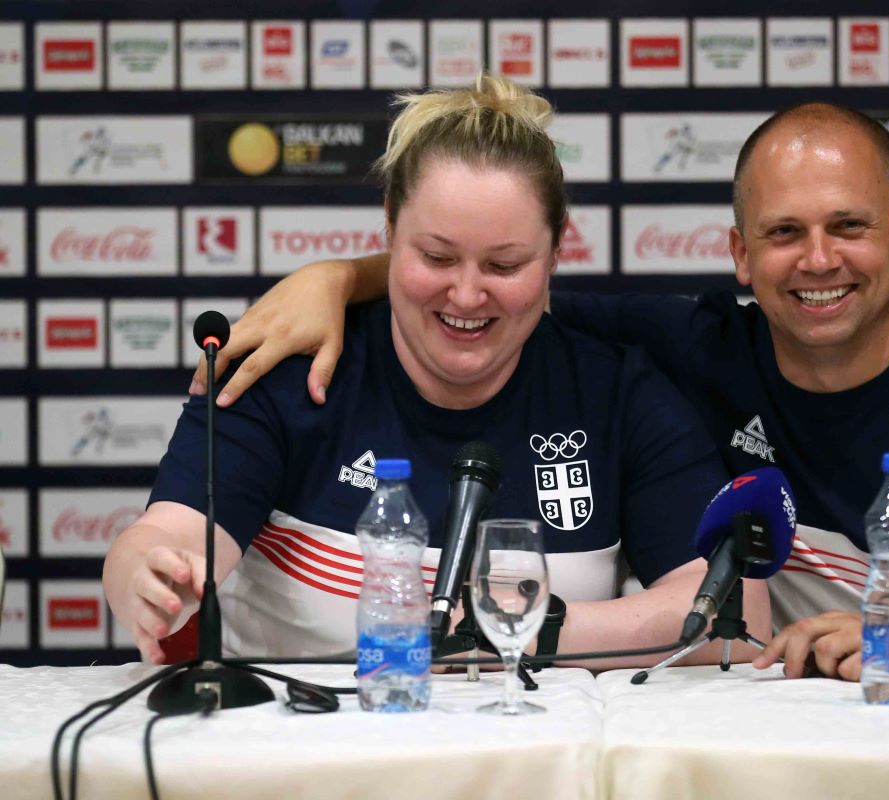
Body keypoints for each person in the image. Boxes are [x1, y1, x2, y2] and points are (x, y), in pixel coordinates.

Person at [194, 102, 889, 681]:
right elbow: (493, 281)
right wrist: (337, 276)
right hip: (771, 729)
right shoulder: (683, 344)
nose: (817, 260)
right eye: (783, 233)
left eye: (850, 227)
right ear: (740, 254)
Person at [104, 75, 770, 666]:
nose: (467, 295)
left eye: (504, 265)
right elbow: (167, 536)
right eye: (438, 258)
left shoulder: (617, 392)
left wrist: (523, 629)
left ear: (556, 253)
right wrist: (147, 574)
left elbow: (739, 615)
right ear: (390, 229)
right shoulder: (284, 373)